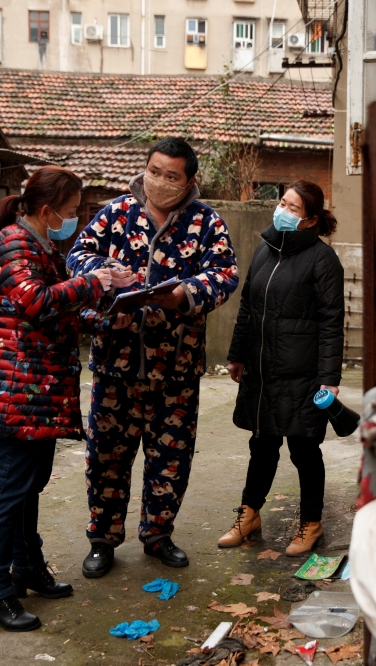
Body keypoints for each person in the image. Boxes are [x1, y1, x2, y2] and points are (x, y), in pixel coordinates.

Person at [0, 166, 133, 632]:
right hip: (15, 390)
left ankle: (25, 568)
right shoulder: (14, 245)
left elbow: (58, 310)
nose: (74, 219)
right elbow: (36, 301)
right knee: (5, 494)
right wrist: (96, 281)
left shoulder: (41, 246)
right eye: (70, 211)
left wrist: (106, 316)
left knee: (27, 487)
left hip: (37, 390)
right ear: (46, 211)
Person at [66, 137, 238, 577]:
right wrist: (104, 278)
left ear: (189, 180)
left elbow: (225, 273)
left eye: (171, 176)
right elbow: (77, 256)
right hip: (115, 363)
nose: (160, 182)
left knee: (170, 459)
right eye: (154, 171)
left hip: (176, 368)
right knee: (106, 456)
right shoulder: (117, 213)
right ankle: (103, 539)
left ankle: (158, 535)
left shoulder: (206, 223)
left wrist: (186, 293)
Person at [219, 180, 344, 556]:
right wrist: (238, 353)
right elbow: (248, 307)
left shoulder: (324, 261)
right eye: (283, 203)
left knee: (304, 450)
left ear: (309, 220)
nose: (283, 211)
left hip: (302, 374)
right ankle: (250, 513)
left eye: (293, 208)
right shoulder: (265, 248)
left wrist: (329, 380)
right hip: (262, 369)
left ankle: (311, 522)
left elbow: (331, 324)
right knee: (262, 444)